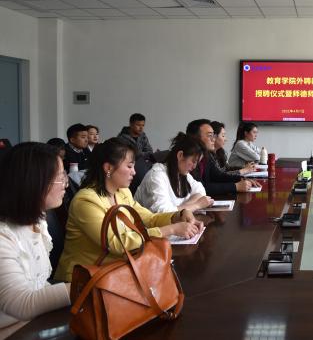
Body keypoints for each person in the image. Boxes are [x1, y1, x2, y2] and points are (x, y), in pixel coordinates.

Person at [54, 138, 203, 282]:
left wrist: (178, 216)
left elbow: (149, 219)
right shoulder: (86, 201)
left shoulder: (122, 192)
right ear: (108, 168)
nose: (134, 172)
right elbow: (116, 243)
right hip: (82, 280)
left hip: (113, 272)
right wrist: (171, 230)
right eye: (129, 166)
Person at [0, 143, 71, 336]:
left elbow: (39, 284)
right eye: (60, 177)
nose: (66, 184)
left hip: (36, 323)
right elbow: (20, 303)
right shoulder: (4, 237)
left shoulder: (38, 220)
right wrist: (82, 288)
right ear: (34, 182)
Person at [135, 133, 213, 213]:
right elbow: (163, 213)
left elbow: (200, 191)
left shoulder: (183, 174)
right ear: (180, 155)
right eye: (193, 161)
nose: (194, 167)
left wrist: (185, 208)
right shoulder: (156, 176)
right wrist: (196, 205)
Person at [186, 119, 257, 195]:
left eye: (213, 135)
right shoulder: (189, 159)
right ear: (196, 138)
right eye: (210, 136)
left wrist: (241, 179)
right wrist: (235, 186)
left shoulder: (206, 156)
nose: (213, 139)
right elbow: (201, 188)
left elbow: (218, 175)